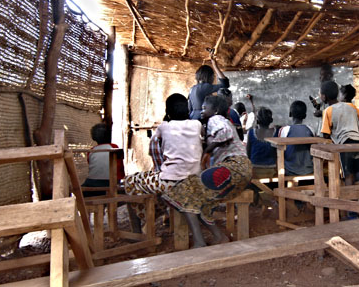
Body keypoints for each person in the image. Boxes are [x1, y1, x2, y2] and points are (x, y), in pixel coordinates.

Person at [162, 95, 251, 247]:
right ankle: (218, 237)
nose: (201, 111)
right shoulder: (213, 125)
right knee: (199, 199)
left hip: (233, 167)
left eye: (204, 108)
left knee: (180, 190)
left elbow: (225, 134)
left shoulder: (216, 120)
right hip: (239, 171)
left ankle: (199, 240)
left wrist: (206, 150)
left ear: (215, 110)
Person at [125, 94, 202, 232]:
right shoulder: (197, 125)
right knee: (159, 189)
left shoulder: (164, 127)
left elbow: (154, 143)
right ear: (188, 110)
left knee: (130, 181)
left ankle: (142, 224)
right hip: (194, 179)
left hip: (170, 181)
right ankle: (155, 214)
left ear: (168, 112)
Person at [319, 80, 359, 188]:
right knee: (358, 173)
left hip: (345, 144)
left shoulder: (328, 110)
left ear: (323, 96)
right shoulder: (350, 106)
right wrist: (357, 131)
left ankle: (350, 202)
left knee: (348, 174)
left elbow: (325, 135)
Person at [81, 123, 124, 197]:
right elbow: (120, 165)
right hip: (110, 182)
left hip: (92, 183)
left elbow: (92, 166)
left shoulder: (92, 151)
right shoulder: (114, 147)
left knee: (82, 189)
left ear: (94, 137)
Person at [277, 100, 316, 176]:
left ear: (290, 114)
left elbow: (279, 151)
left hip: (290, 170)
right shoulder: (311, 130)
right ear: (305, 115)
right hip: (309, 169)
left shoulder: (284, 130)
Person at [188, 55, 229, 120]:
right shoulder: (204, 87)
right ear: (210, 76)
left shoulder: (192, 88)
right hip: (202, 117)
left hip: (193, 117)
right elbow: (225, 84)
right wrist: (215, 66)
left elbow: (189, 108)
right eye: (213, 75)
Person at [246, 107, 278, 179]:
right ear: (271, 120)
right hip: (272, 171)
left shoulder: (251, 133)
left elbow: (248, 153)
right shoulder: (276, 132)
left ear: (257, 120)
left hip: (255, 171)